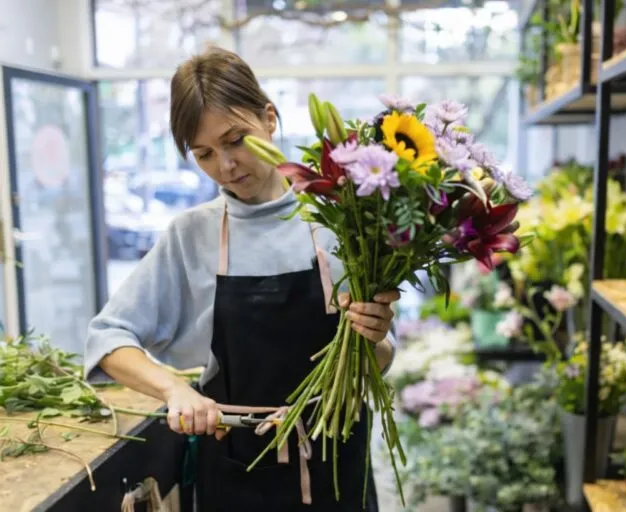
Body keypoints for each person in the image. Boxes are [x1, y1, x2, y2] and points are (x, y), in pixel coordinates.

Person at [84, 46, 400, 511]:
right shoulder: (193, 235)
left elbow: (381, 356)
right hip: (238, 469)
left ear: (268, 118)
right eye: (205, 153)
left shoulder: (343, 219)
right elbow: (107, 339)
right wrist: (175, 389)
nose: (226, 166)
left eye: (236, 140)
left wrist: (374, 337)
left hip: (337, 464)